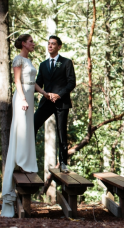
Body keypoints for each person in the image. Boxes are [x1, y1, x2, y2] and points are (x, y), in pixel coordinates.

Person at [1, 34, 49, 217]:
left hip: (30, 97)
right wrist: (22, 99)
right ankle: (20, 161)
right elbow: (17, 81)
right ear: (23, 43)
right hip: (22, 98)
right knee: (20, 129)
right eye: (30, 41)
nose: (33, 44)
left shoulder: (29, 60)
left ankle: (26, 162)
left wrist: (44, 93)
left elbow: (32, 82)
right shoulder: (18, 59)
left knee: (28, 130)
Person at [34, 35, 76, 173]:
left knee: (61, 132)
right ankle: (30, 158)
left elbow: (71, 82)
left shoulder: (66, 62)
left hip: (61, 102)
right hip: (46, 101)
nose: (50, 46)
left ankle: (63, 163)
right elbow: (38, 84)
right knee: (33, 124)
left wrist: (60, 95)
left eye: (53, 44)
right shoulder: (43, 65)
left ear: (59, 46)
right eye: (49, 44)